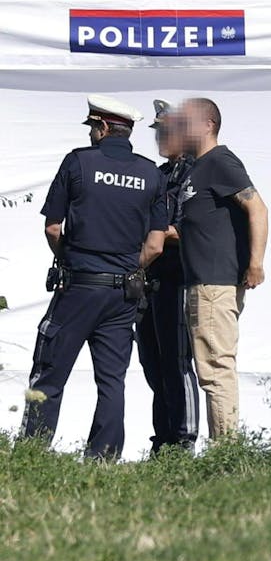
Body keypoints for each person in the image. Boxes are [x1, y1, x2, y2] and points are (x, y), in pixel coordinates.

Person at [23, 95, 167, 459]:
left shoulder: (79, 162)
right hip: (123, 295)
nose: (90, 134)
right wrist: (123, 267)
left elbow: (53, 228)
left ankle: (32, 453)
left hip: (79, 288)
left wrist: (71, 259)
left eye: (92, 128)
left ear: (102, 128)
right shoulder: (151, 173)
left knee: (50, 373)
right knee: (111, 381)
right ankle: (102, 458)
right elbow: (155, 246)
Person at [173, 97, 269, 439]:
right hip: (200, 283)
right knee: (210, 368)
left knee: (216, 369)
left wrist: (255, 263)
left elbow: (257, 208)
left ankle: (226, 453)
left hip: (215, 285)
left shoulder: (220, 161)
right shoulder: (195, 167)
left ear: (207, 125)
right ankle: (224, 448)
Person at [135, 99, 200, 453]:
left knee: (177, 361)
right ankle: (163, 439)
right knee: (152, 362)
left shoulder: (197, 172)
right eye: (157, 131)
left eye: (166, 131)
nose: (160, 137)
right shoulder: (158, 175)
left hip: (177, 275)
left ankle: (185, 440)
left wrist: (156, 233)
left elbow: (193, 226)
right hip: (148, 278)